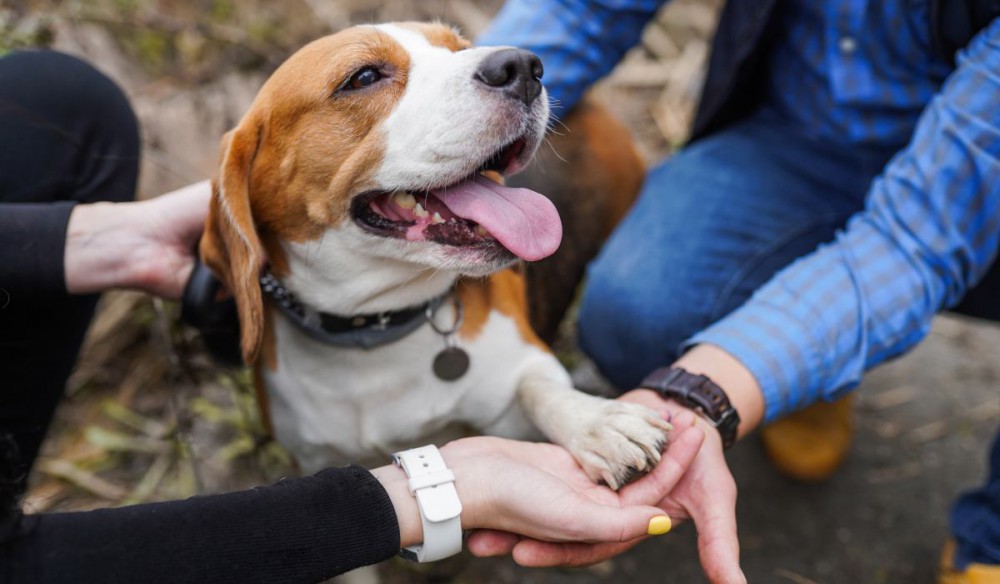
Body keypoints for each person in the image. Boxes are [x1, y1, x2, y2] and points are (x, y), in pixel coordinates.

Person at [0, 49, 708, 582]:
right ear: (257, 179)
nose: (505, 66)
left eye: (446, 50)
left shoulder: (489, 251)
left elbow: (524, 371)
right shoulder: (251, 248)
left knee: (62, 101)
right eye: (366, 78)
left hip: (567, 217)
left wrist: (561, 407)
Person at [476, 1, 1000, 583]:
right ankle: (807, 373)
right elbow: (586, 11)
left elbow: (914, 241)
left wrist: (701, 393)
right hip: (795, 143)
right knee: (635, 312)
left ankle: (992, 540)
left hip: (977, 191)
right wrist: (461, 118)